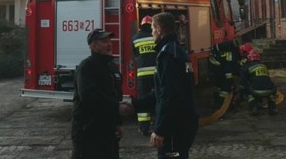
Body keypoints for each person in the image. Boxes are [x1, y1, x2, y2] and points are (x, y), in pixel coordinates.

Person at [134, 12, 198, 159]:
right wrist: (134, 105)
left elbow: (169, 95)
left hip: (174, 128)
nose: (151, 33)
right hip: (181, 123)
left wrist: (160, 129)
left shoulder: (168, 55)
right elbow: (162, 92)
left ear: (159, 29)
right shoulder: (176, 50)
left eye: (152, 29)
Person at [71, 28, 132, 159]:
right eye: (104, 41)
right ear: (94, 46)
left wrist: (117, 123)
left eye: (110, 40)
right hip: (88, 132)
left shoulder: (111, 66)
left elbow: (116, 94)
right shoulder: (87, 67)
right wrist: (117, 107)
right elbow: (88, 96)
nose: (109, 44)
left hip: (108, 132)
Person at [132, 15, 156, 136]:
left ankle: (143, 128)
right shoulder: (156, 37)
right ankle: (157, 126)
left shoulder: (135, 38)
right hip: (156, 75)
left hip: (142, 75)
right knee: (158, 99)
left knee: (143, 100)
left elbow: (134, 55)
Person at [239, 49, 278, 116]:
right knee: (271, 95)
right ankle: (273, 109)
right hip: (270, 90)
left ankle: (254, 108)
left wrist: (241, 93)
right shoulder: (264, 66)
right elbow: (266, 78)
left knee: (249, 93)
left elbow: (243, 82)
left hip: (256, 91)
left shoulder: (247, 67)